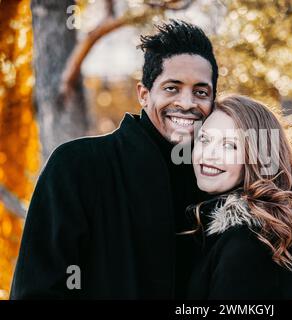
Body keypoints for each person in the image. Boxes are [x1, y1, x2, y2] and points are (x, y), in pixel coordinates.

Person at [10, 20, 218, 299]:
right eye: (172, 88)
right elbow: (37, 291)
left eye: (201, 92)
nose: (187, 103)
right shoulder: (78, 166)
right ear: (144, 94)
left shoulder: (216, 179)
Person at [185, 95, 292, 299]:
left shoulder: (249, 242)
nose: (209, 154)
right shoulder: (248, 230)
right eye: (204, 139)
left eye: (230, 145)